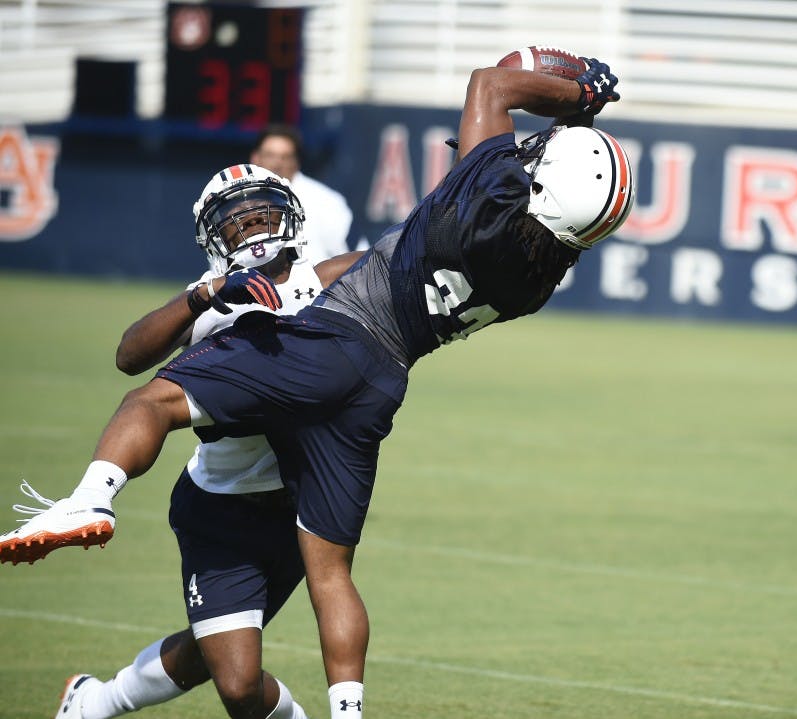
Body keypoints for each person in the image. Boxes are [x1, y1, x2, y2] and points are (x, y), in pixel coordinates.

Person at [0, 56, 633, 719]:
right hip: (368, 391)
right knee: (274, 631)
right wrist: (208, 296)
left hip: (333, 361)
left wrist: (578, 90)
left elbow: (496, 83)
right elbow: (133, 348)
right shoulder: (540, 276)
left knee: (156, 403)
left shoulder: (423, 228)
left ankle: (88, 499)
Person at [41, 164, 362, 719]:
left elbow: (407, 262)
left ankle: (90, 701)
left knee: (214, 650)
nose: (254, 228)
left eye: (261, 212)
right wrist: (205, 295)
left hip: (303, 508)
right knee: (236, 683)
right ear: (216, 239)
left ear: (289, 213)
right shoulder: (219, 301)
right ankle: (94, 699)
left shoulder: (336, 277)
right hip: (223, 510)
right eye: (236, 223)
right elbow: (129, 356)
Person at [250, 124, 353, 262]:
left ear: (296, 162)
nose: (277, 163)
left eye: (285, 157)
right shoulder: (239, 200)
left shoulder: (326, 201)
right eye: (270, 155)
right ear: (255, 158)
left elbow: (357, 259)